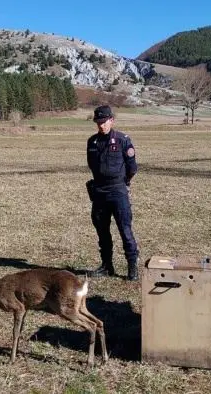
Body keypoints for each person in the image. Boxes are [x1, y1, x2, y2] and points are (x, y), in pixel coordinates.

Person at [85, 105, 139, 281]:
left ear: (111, 120)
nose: (101, 125)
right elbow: (92, 166)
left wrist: (125, 183)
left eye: (104, 121)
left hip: (118, 190)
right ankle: (107, 266)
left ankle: (132, 268)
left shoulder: (123, 140)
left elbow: (132, 168)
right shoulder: (92, 142)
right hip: (99, 191)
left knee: (125, 230)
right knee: (102, 231)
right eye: (98, 122)